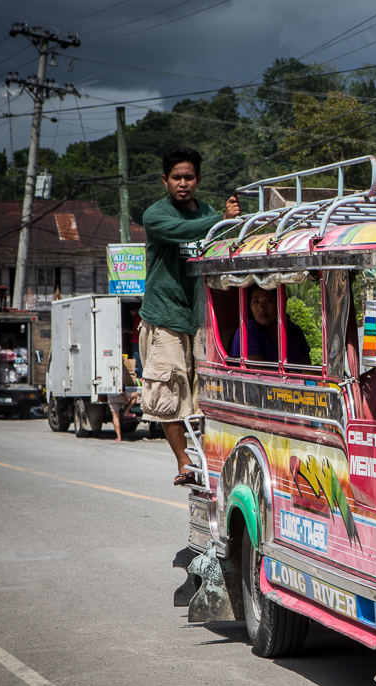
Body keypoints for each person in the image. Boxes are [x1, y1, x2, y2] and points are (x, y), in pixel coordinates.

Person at [141, 146, 240, 486]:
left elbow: (226, 242)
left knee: (205, 394)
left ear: (198, 180)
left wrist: (230, 223)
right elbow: (187, 232)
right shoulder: (156, 216)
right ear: (165, 180)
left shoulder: (209, 212)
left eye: (189, 177)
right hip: (165, 316)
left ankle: (207, 457)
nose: (183, 183)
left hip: (200, 316)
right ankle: (184, 461)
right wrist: (222, 220)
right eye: (176, 177)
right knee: (169, 393)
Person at [229, 286, 309, 364]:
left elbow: (307, 366)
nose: (261, 308)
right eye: (256, 301)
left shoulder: (294, 332)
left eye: (268, 301)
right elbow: (258, 374)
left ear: (281, 302)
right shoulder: (246, 333)